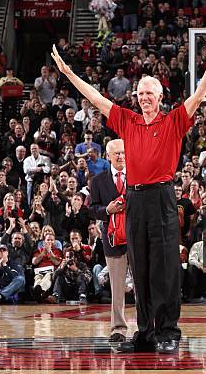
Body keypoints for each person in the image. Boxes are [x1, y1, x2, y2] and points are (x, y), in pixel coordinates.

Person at [51, 33, 206, 353]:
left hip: (162, 197)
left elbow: (199, 97)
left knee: (164, 266)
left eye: (150, 93)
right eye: (141, 92)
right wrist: (69, 74)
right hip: (135, 198)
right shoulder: (127, 120)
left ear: (160, 97)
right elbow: (96, 99)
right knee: (141, 266)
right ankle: (146, 332)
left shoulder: (174, 121)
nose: (144, 97)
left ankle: (169, 331)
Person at [89, 139, 131, 342]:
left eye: (123, 152)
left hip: (137, 238)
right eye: (116, 153)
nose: (121, 156)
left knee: (142, 285)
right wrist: (107, 210)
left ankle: (145, 326)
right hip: (112, 240)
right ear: (108, 156)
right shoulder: (97, 181)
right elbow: (92, 208)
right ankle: (118, 329)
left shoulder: (139, 177)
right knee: (116, 286)